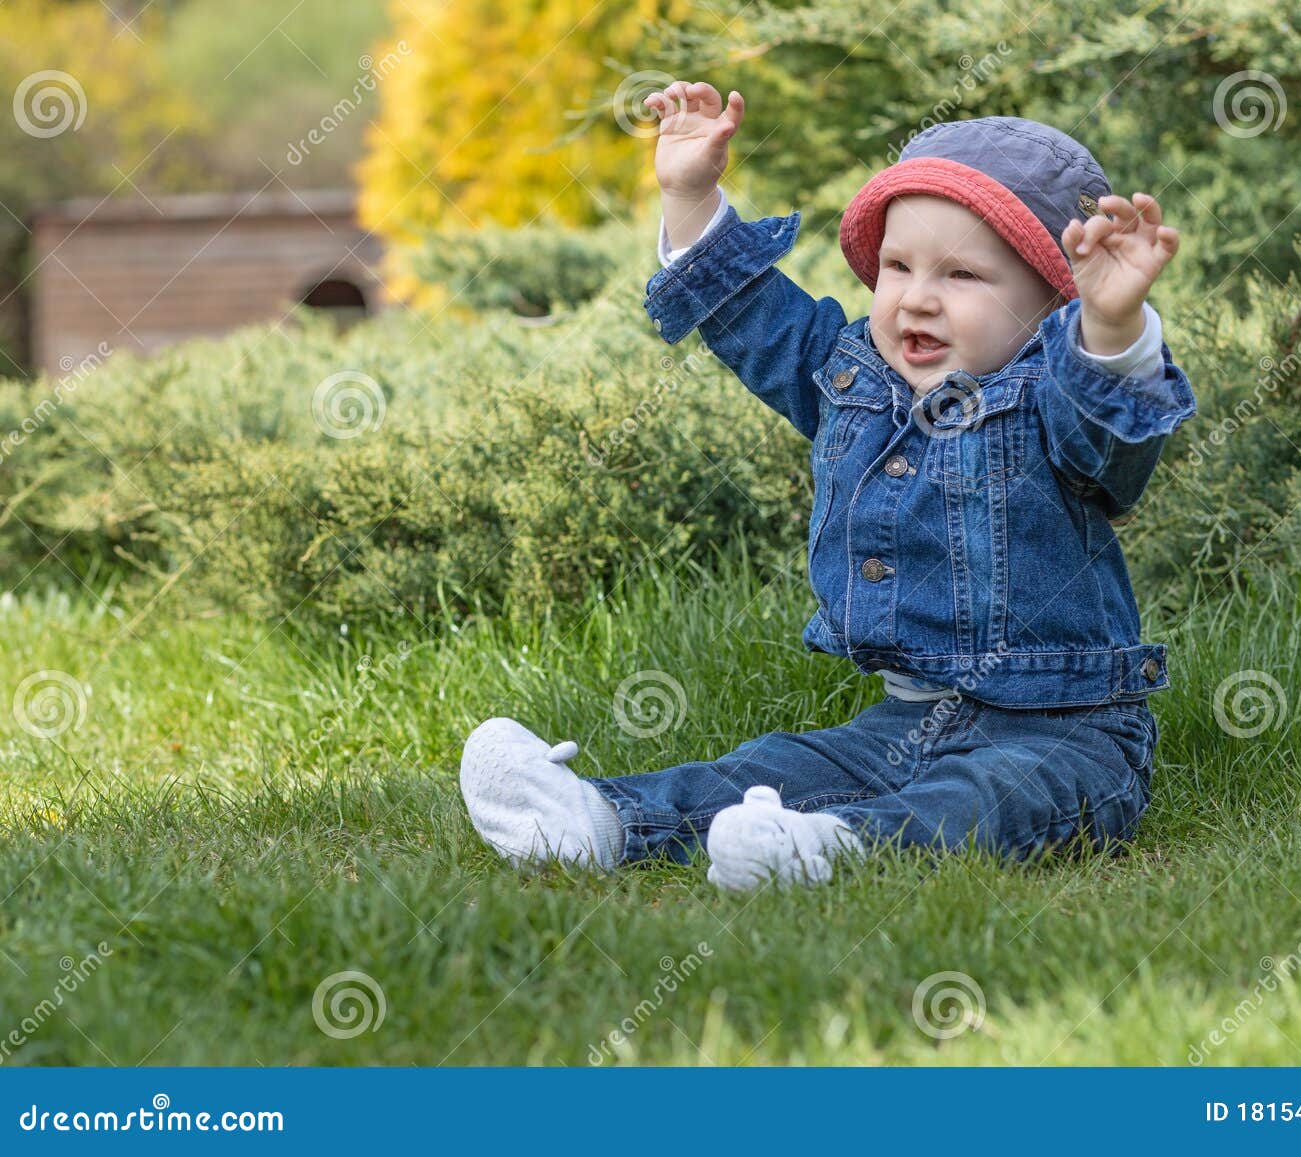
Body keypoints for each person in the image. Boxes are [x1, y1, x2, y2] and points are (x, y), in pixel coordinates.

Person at [460, 81, 1196, 892]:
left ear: (1052, 302)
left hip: (1067, 732)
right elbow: (753, 318)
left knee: (982, 802)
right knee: (774, 764)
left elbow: (1114, 442)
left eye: (963, 275)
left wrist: (1114, 327)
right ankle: (592, 820)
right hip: (907, 719)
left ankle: (829, 848)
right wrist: (690, 193)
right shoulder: (855, 377)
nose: (917, 295)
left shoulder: (1054, 400)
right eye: (898, 266)